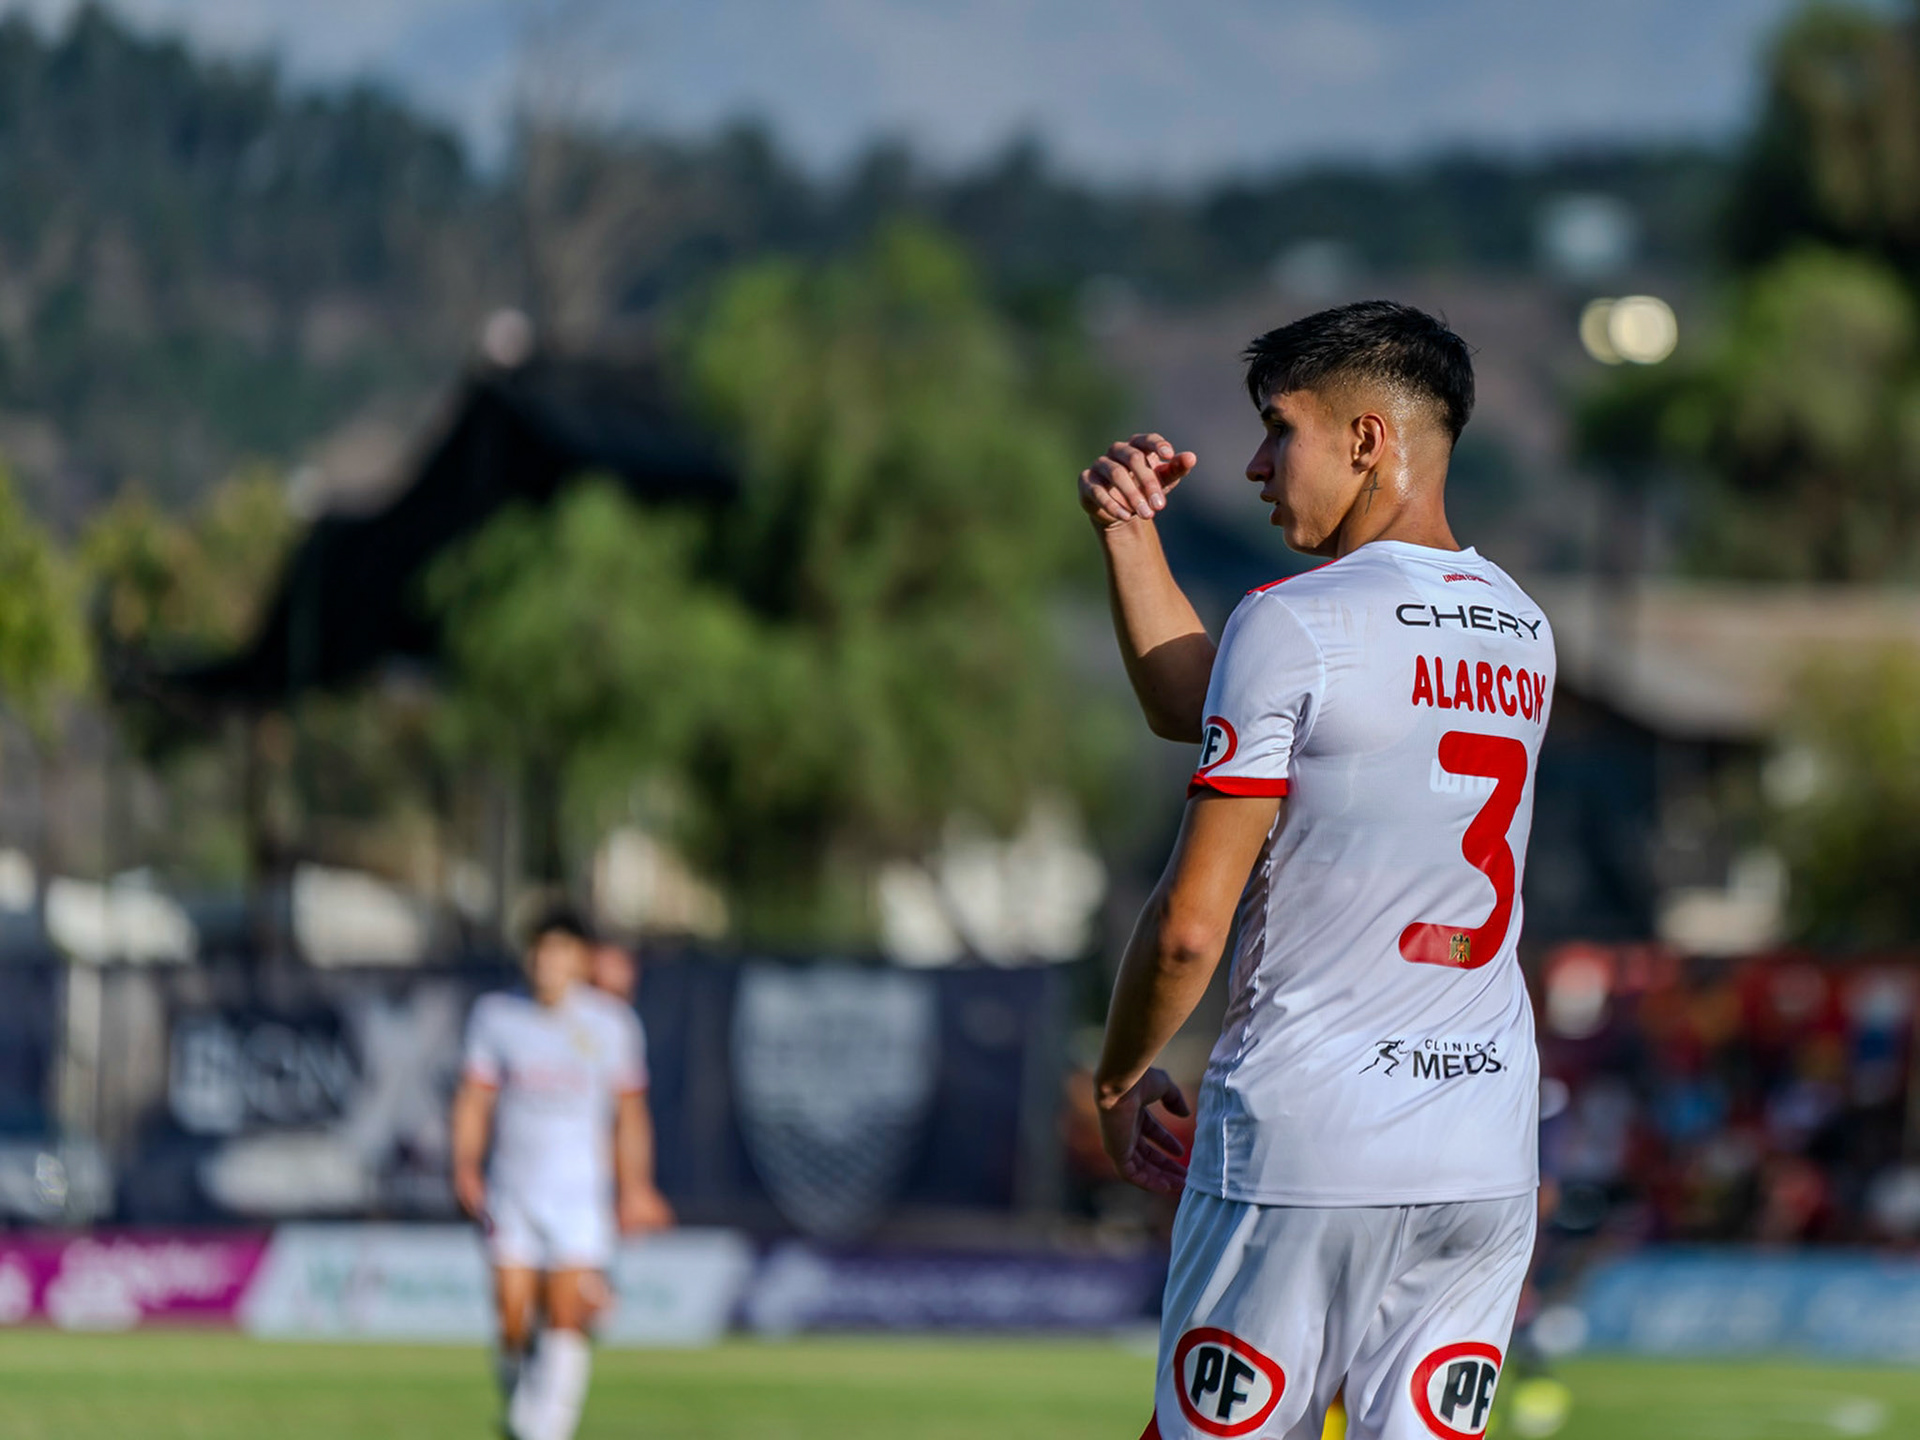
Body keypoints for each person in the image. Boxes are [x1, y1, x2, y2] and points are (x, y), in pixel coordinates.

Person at [1082, 301, 1555, 1440]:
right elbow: (1200, 710)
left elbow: (1191, 927)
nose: (1254, 464)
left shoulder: (1294, 620)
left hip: (1308, 1145)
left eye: (1277, 428)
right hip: (1481, 1156)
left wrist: (1114, 1077)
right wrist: (1131, 533)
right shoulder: (1523, 625)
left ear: (1366, 441)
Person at [450, 906, 673, 1440]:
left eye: (559, 950)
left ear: (579, 959)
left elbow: (630, 1116)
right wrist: (465, 1166)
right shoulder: (496, 1016)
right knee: (511, 1315)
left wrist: (636, 1187)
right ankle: (526, 1403)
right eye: (539, 949)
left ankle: (549, 1429)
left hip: (579, 1196)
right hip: (512, 1188)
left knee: (567, 1313)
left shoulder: (610, 1024)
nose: (546, 962)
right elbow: (475, 1101)